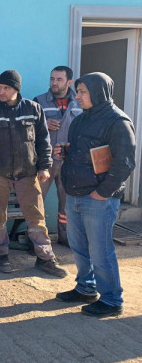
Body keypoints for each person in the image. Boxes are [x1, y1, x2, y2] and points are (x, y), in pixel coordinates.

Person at [0, 70, 68, 277]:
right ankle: (1, 255)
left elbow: (43, 141)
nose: (1, 91)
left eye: (5, 88)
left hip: (28, 173)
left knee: (36, 217)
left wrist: (44, 167)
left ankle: (45, 259)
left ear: (16, 89)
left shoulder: (33, 109)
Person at [56, 72, 136, 318]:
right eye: (77, 91)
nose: (77, 97)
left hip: (99, 199)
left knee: (101, 251)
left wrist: (102, 193)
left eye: (82, 92)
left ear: (99, 93)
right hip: (75, 195)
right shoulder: (81, 120)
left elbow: (124, 163)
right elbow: (83, 151)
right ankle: (86, 288)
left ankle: (112, 300)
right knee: (79, 247)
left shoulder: (118, 122)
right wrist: (65, 152)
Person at [34, 66, 81, 246]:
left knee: (67, 204)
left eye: (59, 79)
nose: (54, 83)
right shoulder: (38, 102)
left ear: (69, 82)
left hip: (69, 161)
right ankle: (37, 241)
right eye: (52, 78)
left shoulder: (80, 103)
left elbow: (85, 131)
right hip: (44, 162)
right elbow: (26, 128)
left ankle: (66, 237)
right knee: (36, 202)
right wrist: (43, 123)